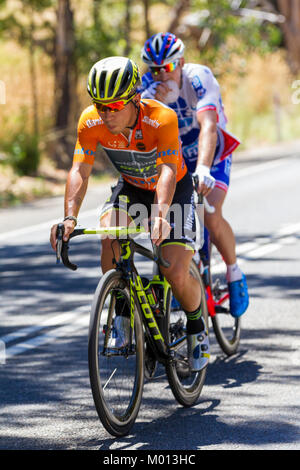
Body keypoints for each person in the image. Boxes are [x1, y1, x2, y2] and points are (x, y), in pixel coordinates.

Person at [50, 56, 209, 371]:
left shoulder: (160, 118)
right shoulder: (90, 121)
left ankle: (196, 328)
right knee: (109, 234)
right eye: (100, 105)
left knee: (175, 272)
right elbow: (80, 170)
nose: (106, 114)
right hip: (133, 188)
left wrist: (161, 215)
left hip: (173, 190)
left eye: (116, 105)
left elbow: (166, 170)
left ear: (135, 99)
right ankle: (121, 312)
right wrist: (69, 217)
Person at [140, 32, 249, 318]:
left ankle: (234, 273)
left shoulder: (199, 78)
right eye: (154, 69)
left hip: (209, 151)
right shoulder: (146, 88)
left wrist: (203, 168)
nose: (161, 75)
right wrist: (152, 106)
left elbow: (208, 127)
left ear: (182, 62)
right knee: (162, 217)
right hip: (174, 158)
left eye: (167, 68)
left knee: (210, 215)